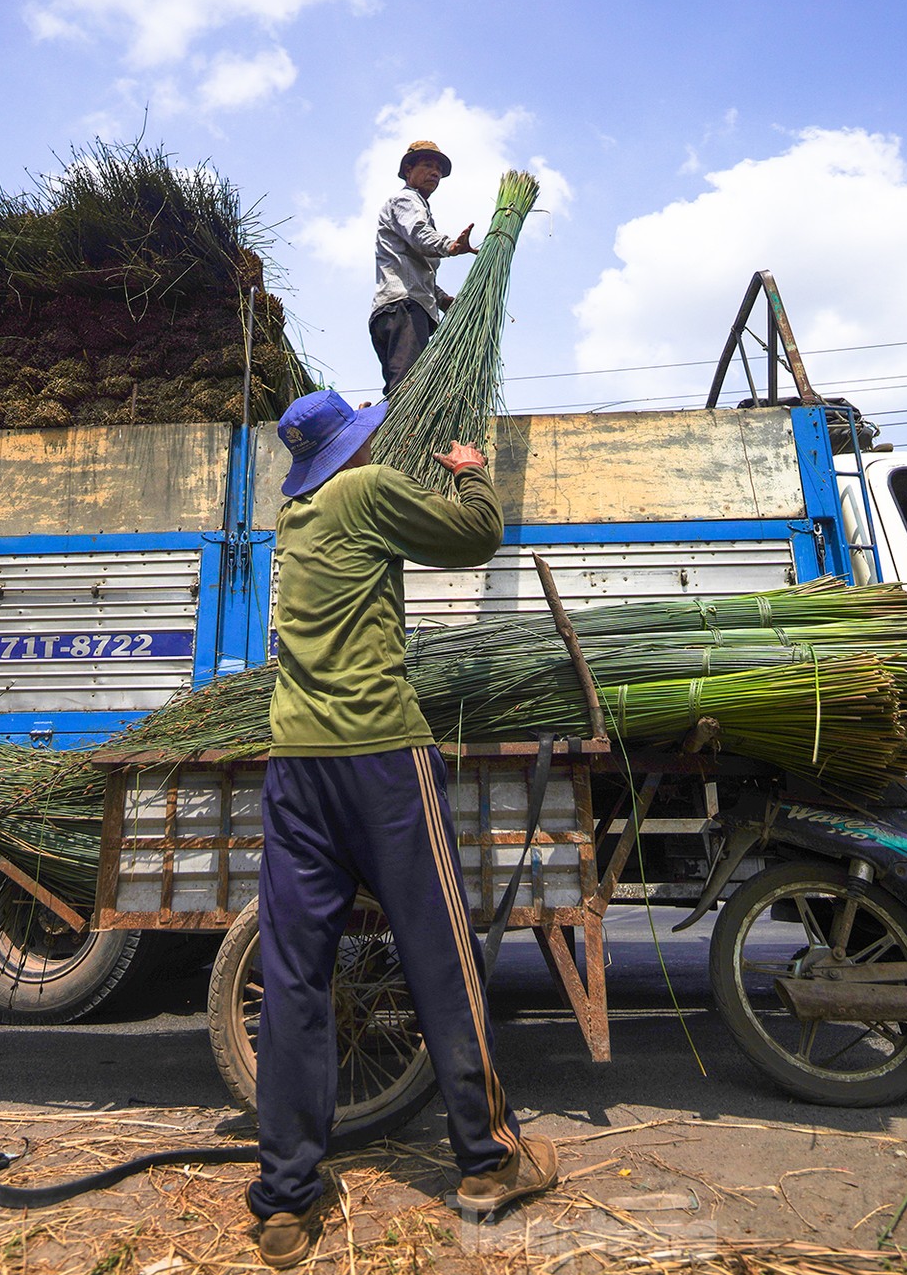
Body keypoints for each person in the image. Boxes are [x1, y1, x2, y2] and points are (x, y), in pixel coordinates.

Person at [248, 388, 558, 1268]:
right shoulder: (365, 490)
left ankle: (286, 1203)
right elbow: (475, 538)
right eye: (365, 437)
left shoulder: (296, 518)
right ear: (350, 449)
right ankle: (492, 1161)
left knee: (296, 980)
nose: (375, 442)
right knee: (441, 952)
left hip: (294, 766)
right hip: (380, 756)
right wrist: (470, 475)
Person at [370, 140, 477, 395]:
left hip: (394, 311)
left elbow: (415, 268)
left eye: (439, 169)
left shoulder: (414, 205)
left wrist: (442, 300)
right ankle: (399, 434)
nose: (435, 173)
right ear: (408, 170)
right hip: (404, 310)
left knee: (401, 388)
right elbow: (420, 234)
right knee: (406, 392)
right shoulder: (407, 200)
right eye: (428, 165)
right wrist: (450, 246)